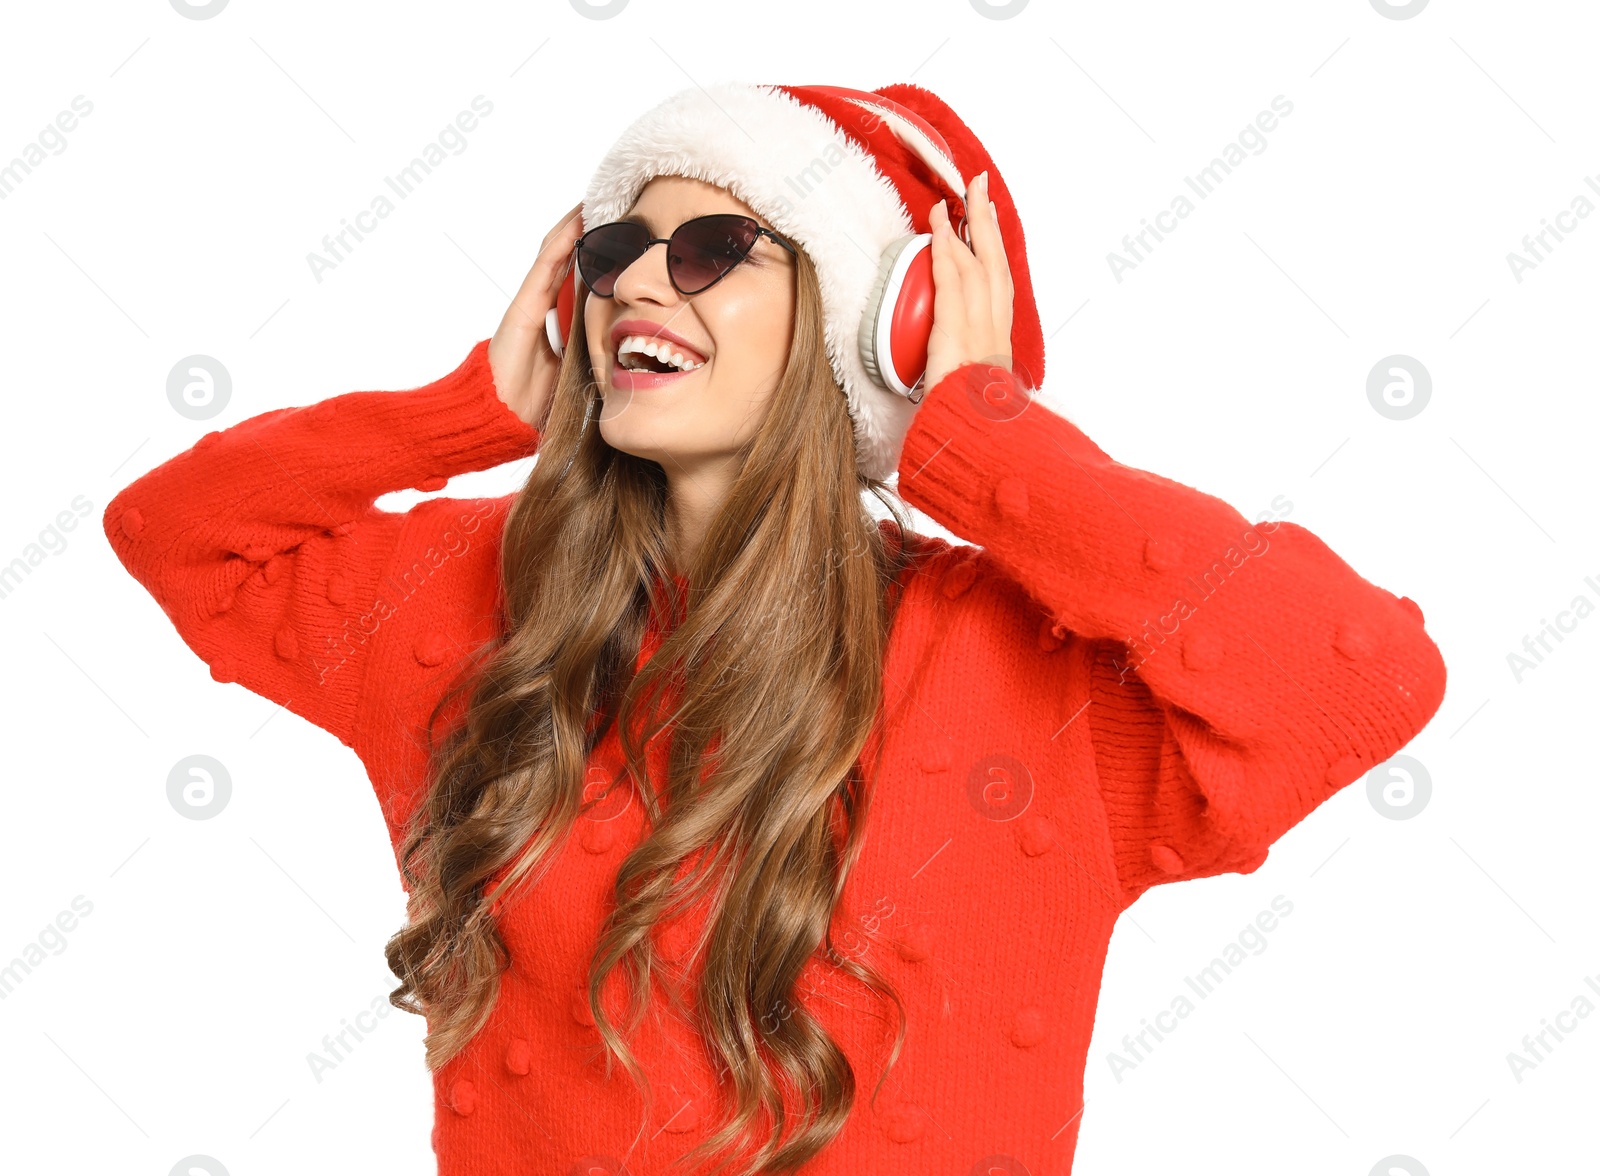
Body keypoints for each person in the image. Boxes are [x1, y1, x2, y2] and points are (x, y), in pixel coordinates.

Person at [103, 81, 1448, 1176]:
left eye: (708, 254)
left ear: (879, 324)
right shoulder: (478, 611)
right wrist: (464, 412)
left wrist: (982, 441)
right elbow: (175, 538)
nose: (637, 286)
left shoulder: (1018, 666)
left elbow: (1362, 676)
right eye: (616, 250)